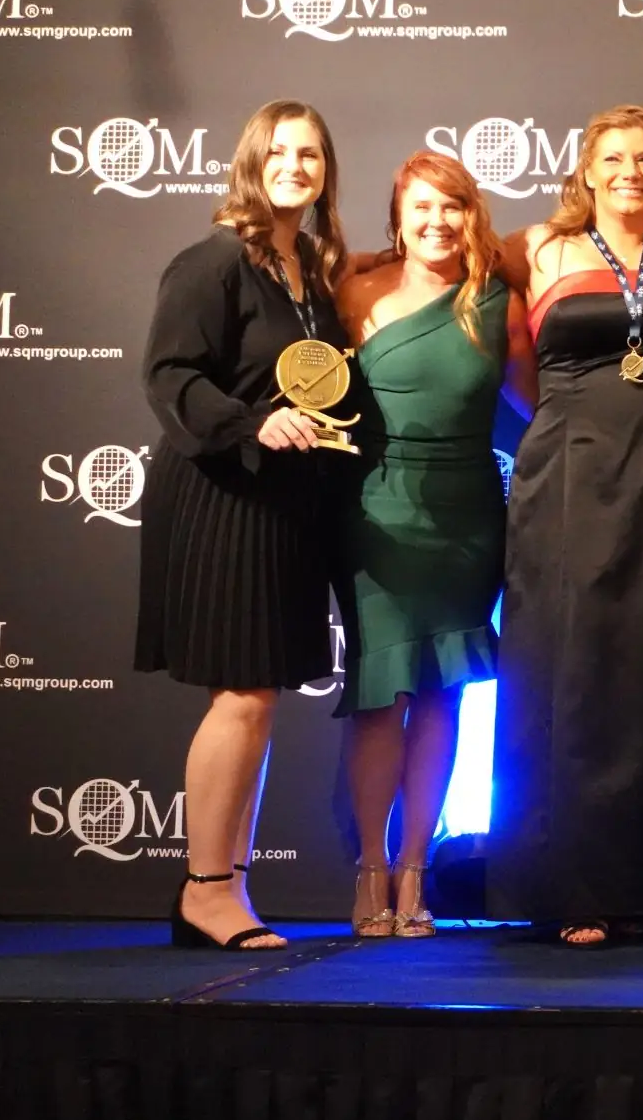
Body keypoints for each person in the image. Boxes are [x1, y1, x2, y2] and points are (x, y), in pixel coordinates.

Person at [486, 105, 643, 946]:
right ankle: (577, 885)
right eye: (615, 158)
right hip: (571, 477)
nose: (631, 171)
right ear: (586, 170)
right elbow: (444, 271)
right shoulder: (534, 248)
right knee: (580, 669)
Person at [137, 99, 350, 951]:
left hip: (285, 502)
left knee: (257, 700)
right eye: (282, 151)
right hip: (223, 490)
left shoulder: (307, 274)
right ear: (252, 162)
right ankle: (206, 887)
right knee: (241, 694)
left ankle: (229, 884)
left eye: (312, 154)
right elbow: (168, 374)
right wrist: (248, 424)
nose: (297, 165)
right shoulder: (215, 259)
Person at [332, 151, 534, 939]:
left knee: (444, 694)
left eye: (452, 206)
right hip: (377, 514)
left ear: (470, 214)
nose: (436, 221)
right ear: (397, 215)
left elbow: (542, 407)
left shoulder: (496, 300)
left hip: (467, 517)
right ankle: (369, 870)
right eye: (420, 207)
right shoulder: (356, 289)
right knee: (382, 698)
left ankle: (417, 867)